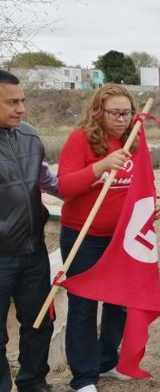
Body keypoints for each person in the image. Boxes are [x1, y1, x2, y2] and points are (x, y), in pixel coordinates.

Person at [58, 83, 160, 392]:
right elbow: (65, 186)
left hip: (122, 237)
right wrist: (101, 166)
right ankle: (83, 377)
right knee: (84, 306)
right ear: (98, 112)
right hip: (84, 236)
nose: (121, 119)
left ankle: (107, 361)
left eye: (126, 112)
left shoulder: (135, 139)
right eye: (114, 113)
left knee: (119, 301)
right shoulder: (80, 140)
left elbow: (145, 182)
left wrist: (148, 209)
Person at [0, 70, 58, 392]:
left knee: (38, 323)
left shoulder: (31, 136)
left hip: (33, 251)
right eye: (11, 102)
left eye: (22, 100)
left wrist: (99, 188)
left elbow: (49, 182)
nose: (21, 109)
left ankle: (33, 382)